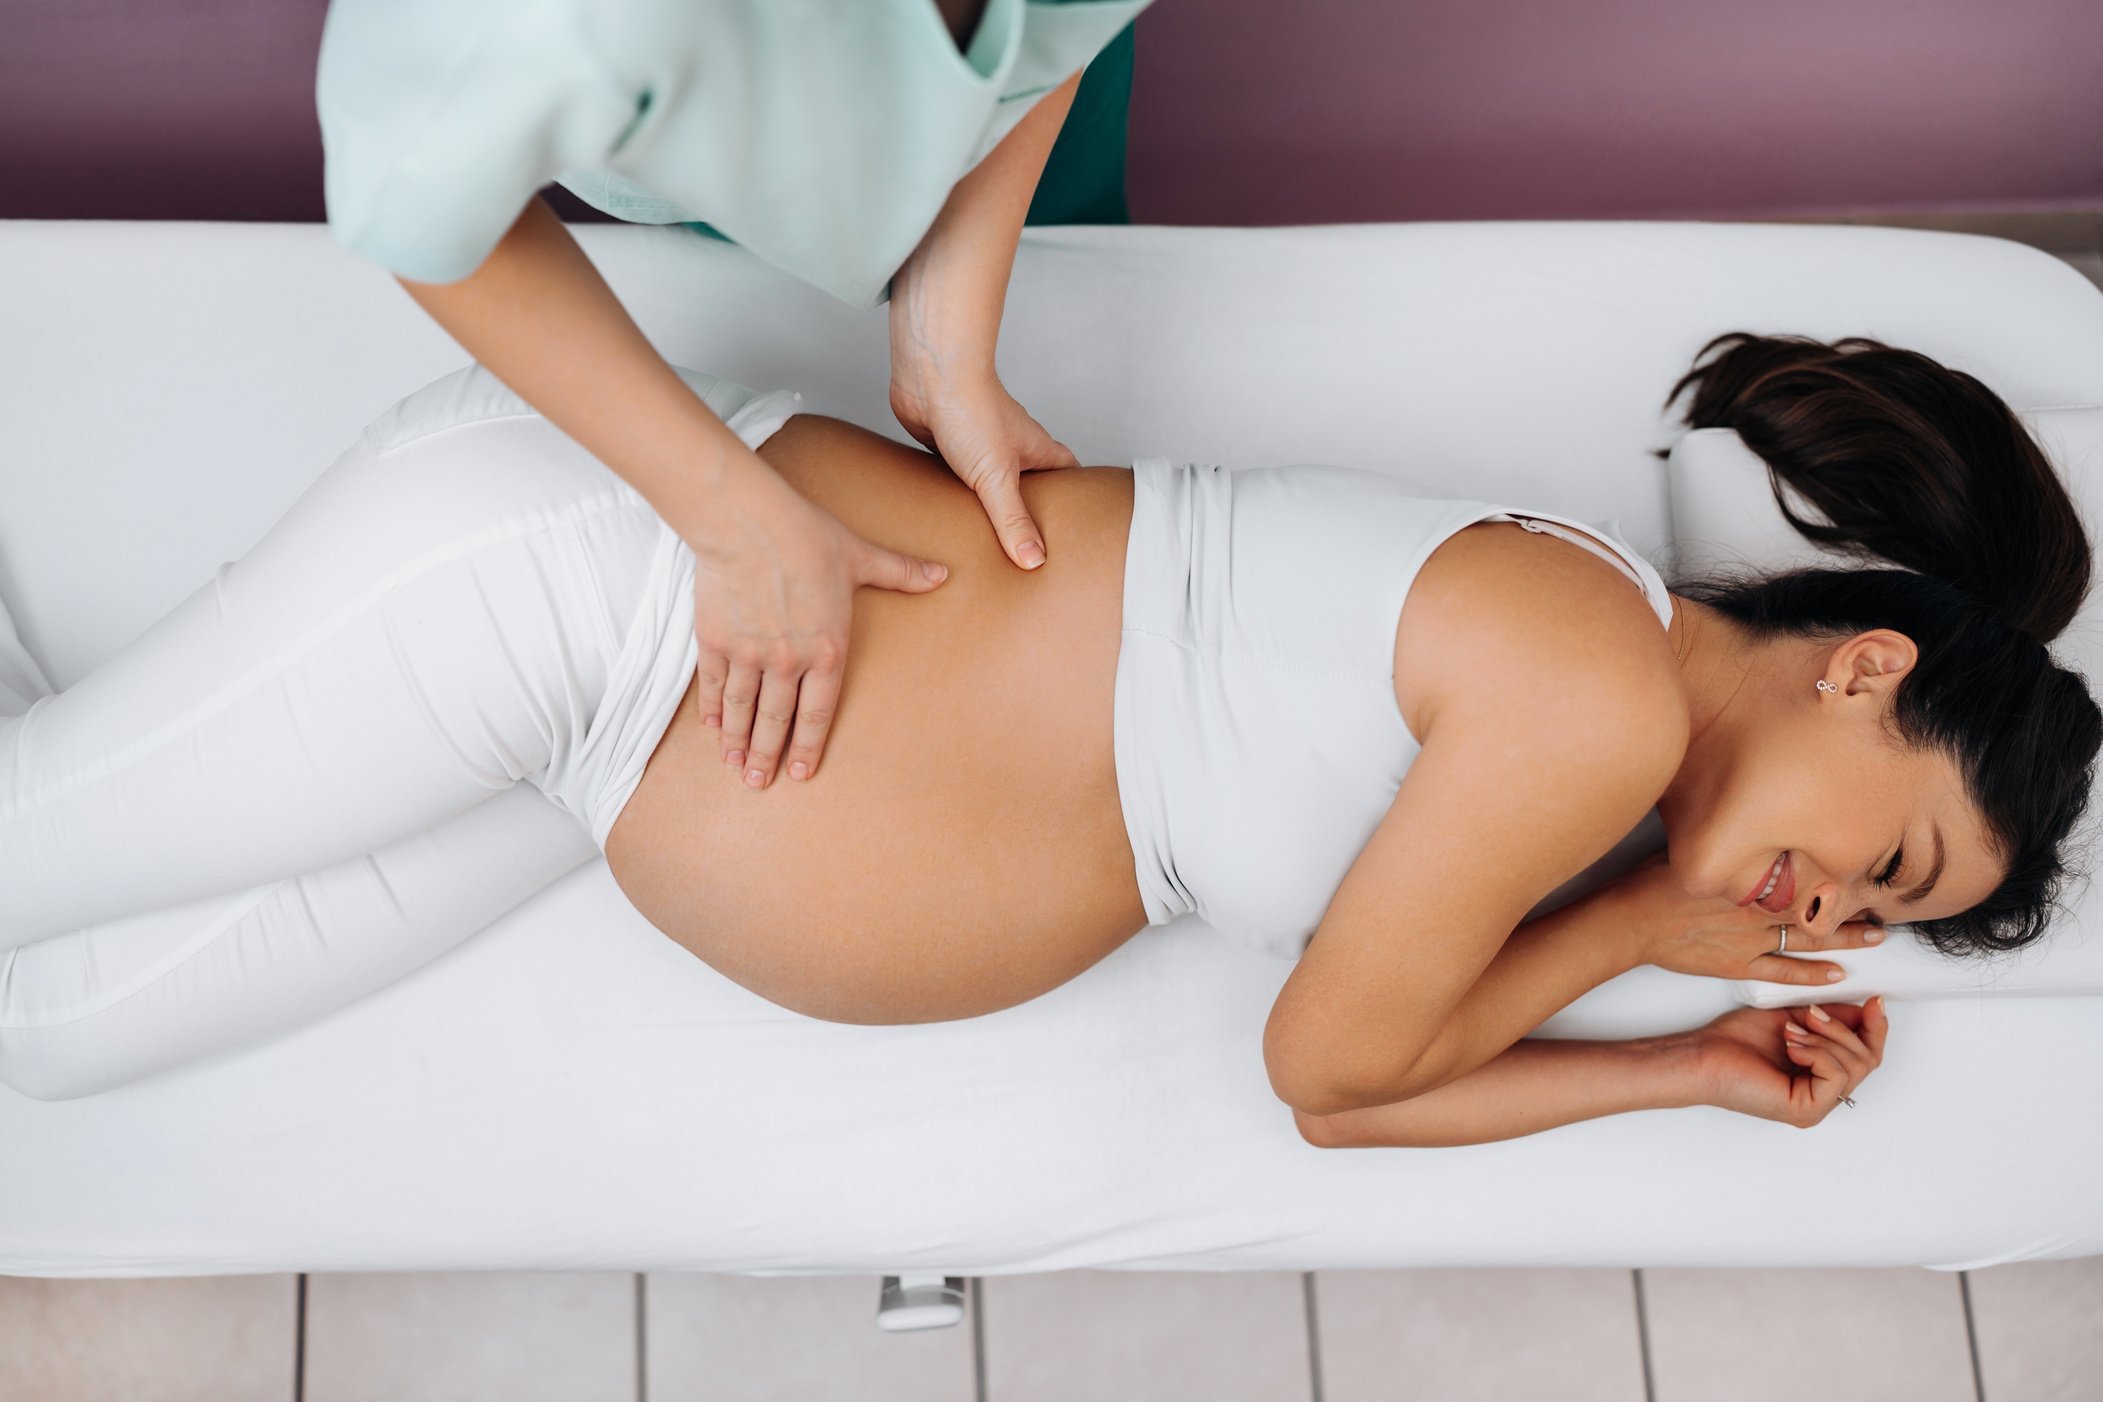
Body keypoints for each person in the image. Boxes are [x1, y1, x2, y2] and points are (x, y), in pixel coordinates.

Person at [2, 335, 2096, 1152]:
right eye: (1890, 862)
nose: (1822, 916)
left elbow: (1357, 1110)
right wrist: (1644, 922)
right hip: (592, 590)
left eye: (1875, 928)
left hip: (597, 743)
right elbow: (1325, 1063)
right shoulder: (1588, 684)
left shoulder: (1569, 786)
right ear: (1860, 667)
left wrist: (1674, 1055)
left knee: (57, 1028)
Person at [314, 0, 1148, 794]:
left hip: (1034, 134)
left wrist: (946, 336)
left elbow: (1050, 26)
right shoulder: (533, 32)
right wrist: (734, 525)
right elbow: (426, 201)